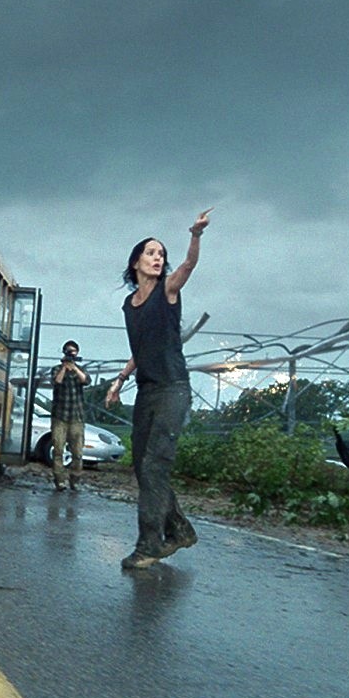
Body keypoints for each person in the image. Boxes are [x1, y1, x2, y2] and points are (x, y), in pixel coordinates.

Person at [106, 208, 212, 569]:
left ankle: (148, 545)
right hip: (147, 390)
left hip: (173, 389)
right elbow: (141, 350)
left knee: (154, 467)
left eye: (161, 254)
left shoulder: (168, 290)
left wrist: (195, 235)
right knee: (141, 467)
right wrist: (119, 381)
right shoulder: (129, 305)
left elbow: (188, 266)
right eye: (151, 253)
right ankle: (179, 529)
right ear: (136, 261)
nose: (157, 258)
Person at [49, 340, 90, 491]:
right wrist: (64, 368)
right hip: (60, 416)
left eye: (73, 351)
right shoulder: (56, 369)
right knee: (58, 450)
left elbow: (86, 381)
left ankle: (75, 479)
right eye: (67, 351)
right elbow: (56, 382)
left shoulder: (81, 370)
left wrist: (74, 368)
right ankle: (60, 481)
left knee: (77, 452)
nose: (70, 353)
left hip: (76, 417)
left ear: (77, 353)